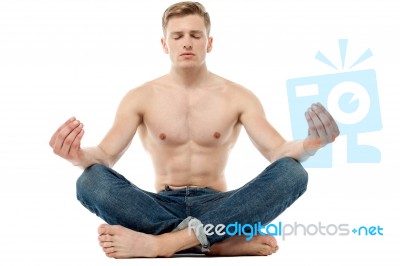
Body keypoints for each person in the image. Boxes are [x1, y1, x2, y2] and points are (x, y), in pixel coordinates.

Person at [49, 1, 339, 258]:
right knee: (89, 181)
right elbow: (104, 155)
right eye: (177, 36)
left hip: (222, 206)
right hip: (159, 205)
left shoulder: (238, 96)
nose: (186, 43)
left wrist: (309, 145)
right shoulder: (140, 97)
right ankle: (214, 244)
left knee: (293, 172)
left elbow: (277, 151)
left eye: (195, 35)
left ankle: (163, 244)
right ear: (165, 44)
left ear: (209, 43)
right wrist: (77, 156)